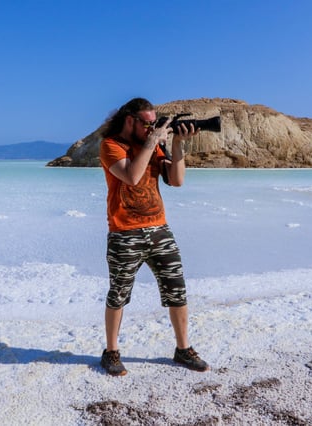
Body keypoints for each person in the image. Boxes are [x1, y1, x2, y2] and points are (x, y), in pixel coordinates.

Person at [98, 97, 209, 376]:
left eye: (154, 124)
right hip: (124, 234)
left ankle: (183, 349)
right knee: (118, 295)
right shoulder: (111, 145)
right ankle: (111, 352)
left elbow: (177, 180)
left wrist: (176, 144)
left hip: (159, 229)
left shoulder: (154, 145)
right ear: (130, 121)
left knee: (177, 290)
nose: (151, 129)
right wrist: (153, 141)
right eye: (147, 124)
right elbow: (132, 176)